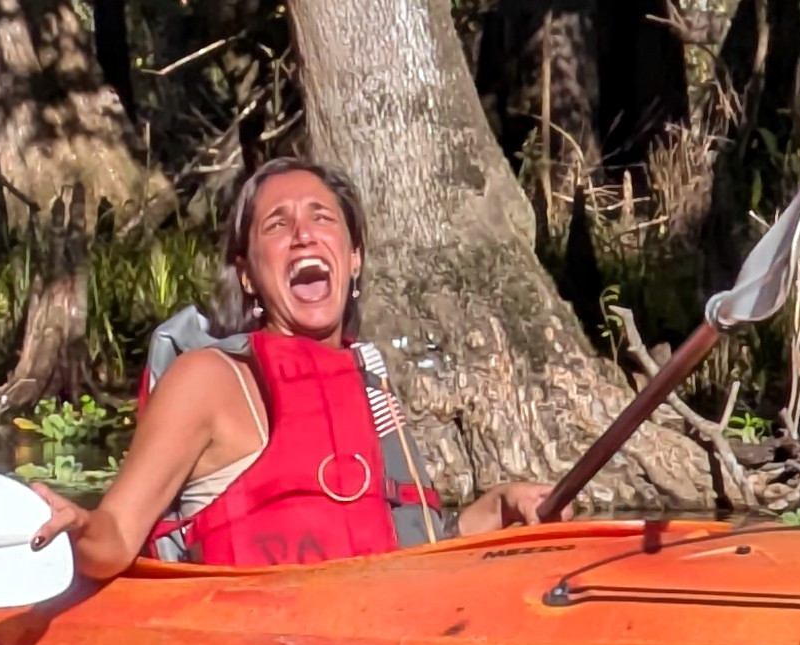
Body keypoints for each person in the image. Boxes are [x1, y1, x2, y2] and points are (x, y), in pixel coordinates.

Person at [31, 161, 552, 576]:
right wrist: (82, 529)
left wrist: (496, 511)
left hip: (374, 638)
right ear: (249, 276)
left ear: (354, 260)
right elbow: (117, 537)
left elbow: (414, 550)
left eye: (322, 218)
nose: (303, 234)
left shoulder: (366, 382)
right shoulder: (208, 379)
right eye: (277, 225)